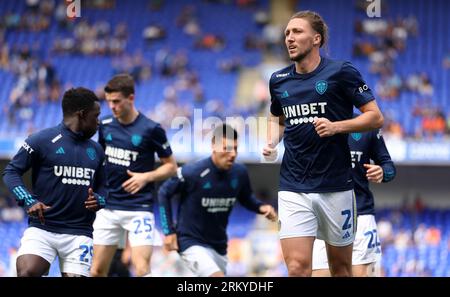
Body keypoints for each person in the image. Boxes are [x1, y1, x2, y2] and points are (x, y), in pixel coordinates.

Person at [262, 10, 384, 277]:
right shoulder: (278, 80)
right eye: (286, 33)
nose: (289, 38)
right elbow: (277, 118)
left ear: (316, 38)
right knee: (296, 268)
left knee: (340, 269)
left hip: (336, 186)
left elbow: (375, 117)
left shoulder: (341, 72)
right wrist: (271, 141)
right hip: (293, 186)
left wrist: (336, 126)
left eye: (297, 32)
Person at [2, 87, 106, 277]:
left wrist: (100, 200)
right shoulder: (41, 140)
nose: (98, 122)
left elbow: (105, 187)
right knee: (26, 272)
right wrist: (28, 200)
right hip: (43, 228)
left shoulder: (97, 150)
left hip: (79, 232)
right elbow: (11, 171)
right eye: (95, 116)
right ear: (81, 115)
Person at [158, 124, 277, 277]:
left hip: (219, 245)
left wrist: (261, 207)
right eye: (227, 148)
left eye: (235, 148)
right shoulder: (193, 171)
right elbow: (164, 192)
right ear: (214, 144)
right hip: (191, 242)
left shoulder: (239, 173)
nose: (233, 154)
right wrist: (168, 232)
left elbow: (246, 198)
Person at [90, 73, 177, 277]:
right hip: (108, 207)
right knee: (96, 271)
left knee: (141, 270)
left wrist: (145, 177)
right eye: (109, 101)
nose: (112, 106)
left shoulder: (151, 129)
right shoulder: (104, 125)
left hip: (139, 208)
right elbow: (99, 159)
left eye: (117, 101)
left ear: (131, 98)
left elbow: (171, 167)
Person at [312, 123, 396, 277]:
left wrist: (383, 172)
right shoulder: (316, 123)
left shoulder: (366, 125)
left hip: (361, 215)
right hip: (324, 216)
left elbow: (389, 167)